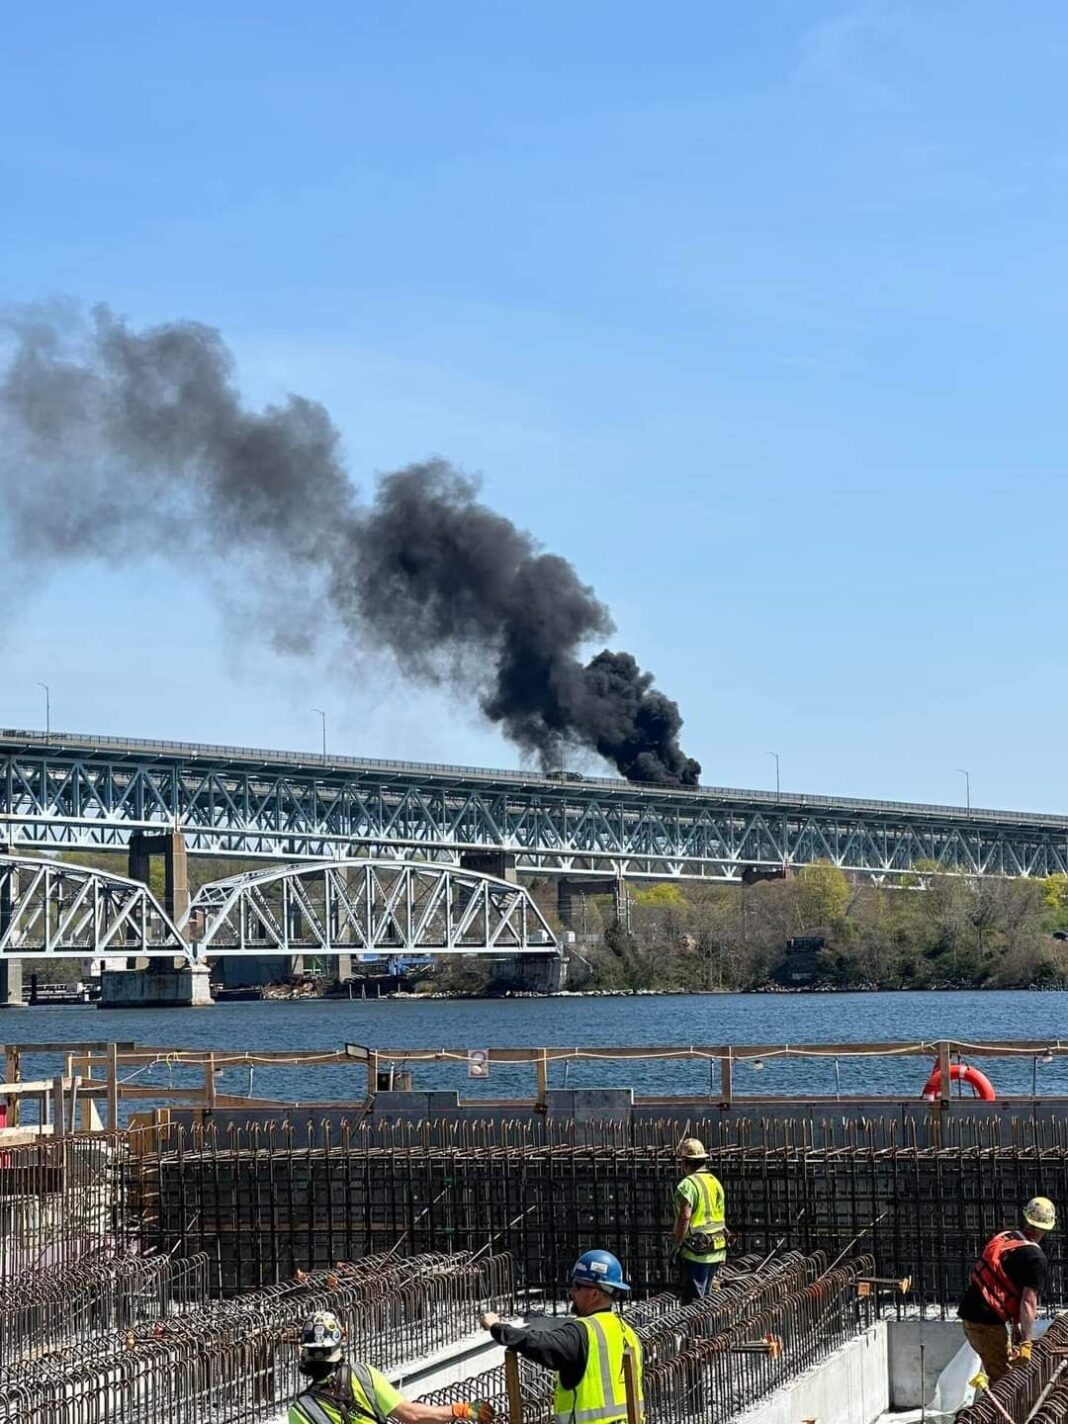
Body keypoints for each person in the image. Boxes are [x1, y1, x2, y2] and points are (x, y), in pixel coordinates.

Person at [481, 1249, 643, 1423]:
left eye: (577, 1285)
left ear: (595, 1293)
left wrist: (497, 1327)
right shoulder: (628, 1332)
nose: (571, 1292)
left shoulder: (582, 1332)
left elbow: (538, 1343)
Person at [289, 1311, 495, 1424]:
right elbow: (413, 1415)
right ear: (338, 1345)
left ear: (305, 1352)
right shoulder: (363, 1375)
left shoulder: (300, 1411)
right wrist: (462, 1410)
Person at [957, 1197, 1055, 1385]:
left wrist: (1016, 1327)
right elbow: (1028, 1302)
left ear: (1027, 1218)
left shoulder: (1006, 1238)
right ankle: (1003, 1414)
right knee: (1006, 1383)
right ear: (1047, 1227)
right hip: (987, 1324)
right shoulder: (1036, 1259)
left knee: (1000, 1375)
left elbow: (1002, 1284)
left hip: (971, 1316)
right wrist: (1026, 1342)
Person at [672, 1138, 728, 1301]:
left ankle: (695, 1328)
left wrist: (677, 1244)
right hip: (717, 1249)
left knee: (694, 1305)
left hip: (696, 1252)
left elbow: (685, 1216)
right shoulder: (714, 1182)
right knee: (707, 1303)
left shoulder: (688, 1184)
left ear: (685, 1162)